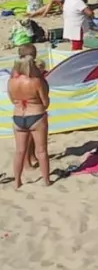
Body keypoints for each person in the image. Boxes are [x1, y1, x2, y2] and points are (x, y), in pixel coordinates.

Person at [8, 47, 50, 188]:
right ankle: (46, 181)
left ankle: (17, 182)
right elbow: (45, 102)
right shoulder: (35, 81)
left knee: (19, 151)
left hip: (18, 116)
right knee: (42, 151)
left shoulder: (11, 81)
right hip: (36, 115)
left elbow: (12, 100)